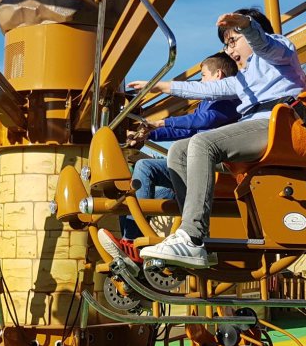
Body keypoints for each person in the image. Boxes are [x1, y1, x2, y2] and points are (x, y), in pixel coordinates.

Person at [125, 8, 306, 269]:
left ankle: (192, 236)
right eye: (226, 45)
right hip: (256, 129)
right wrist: (159, 86)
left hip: (278, 128)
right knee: (180, 150)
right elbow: (207, 89)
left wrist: (246, 25)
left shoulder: (279, 51)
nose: (230, 51)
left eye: (232, 41)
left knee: (203, 143)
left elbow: (263, 43)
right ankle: (194, 235)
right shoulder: (245, 77)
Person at [100, 52, 240, 262]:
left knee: (146, 167)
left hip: (216, 167)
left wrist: (163, 122)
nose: (201, 82)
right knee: (140, 196)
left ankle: (132, 242)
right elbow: (188, 129)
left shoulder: (230, 98)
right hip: (195, 167)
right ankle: (138, 254)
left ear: (218, 75)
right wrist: (148, 134)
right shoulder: (206, 103)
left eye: (203, 76)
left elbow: (204, 120)